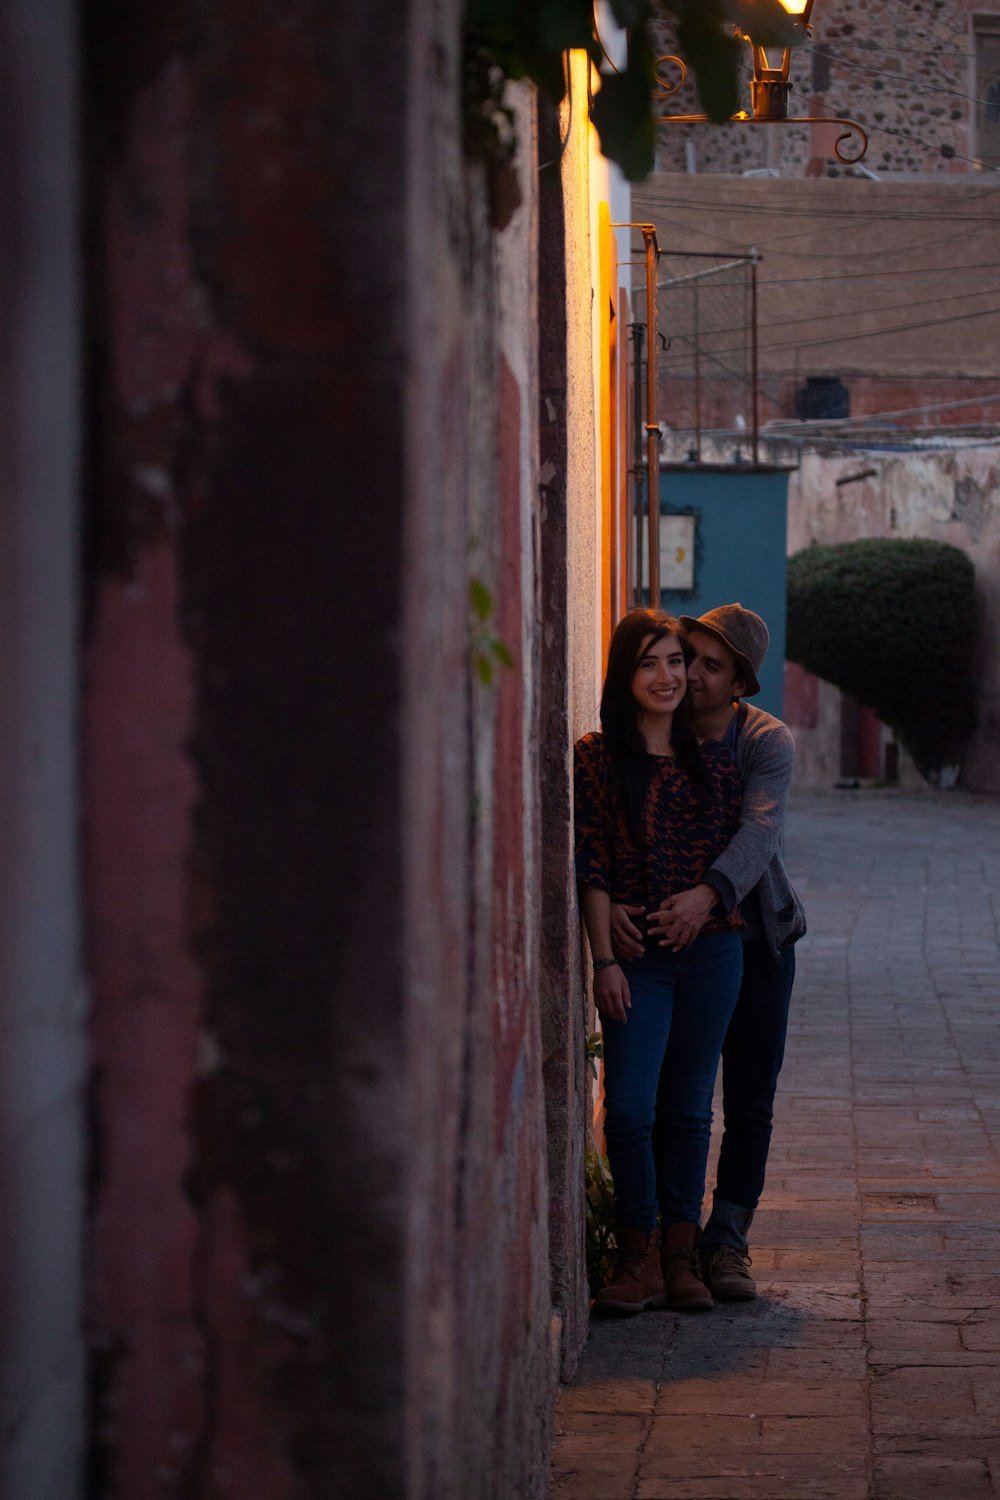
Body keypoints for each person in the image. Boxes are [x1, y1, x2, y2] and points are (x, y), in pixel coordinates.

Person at [611, 603, 805, 1303]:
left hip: (754, 939)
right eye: (686, 656)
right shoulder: (662, 730)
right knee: (670, 1096)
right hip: (675, 947)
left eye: (708, 665)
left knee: (748, 1096)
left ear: (741, 682)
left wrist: (706, 895)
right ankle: (670, 1242)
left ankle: (727, 1240)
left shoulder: (765, 741)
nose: (688, 674)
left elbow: (759, 836)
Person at [574, 608, 745, 1315]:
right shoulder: (597, 756)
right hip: (637, 961)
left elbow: (730, 861)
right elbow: (590, 860)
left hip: (711, 956)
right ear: (625, 674)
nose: (668, 676)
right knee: (632, 1107)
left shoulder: (714, 762)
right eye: (650, 662)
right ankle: (635, 1255)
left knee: (688, 1110)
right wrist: (604, 958)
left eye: (676, 662)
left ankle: (682, 1259)